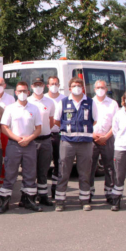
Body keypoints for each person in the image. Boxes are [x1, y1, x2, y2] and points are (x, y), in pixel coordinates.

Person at [0, 81, 43, 213]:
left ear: (28, 92)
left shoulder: (34, 108)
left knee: (30, 174)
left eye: (24, 91)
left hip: (29, 144)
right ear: (16, 93)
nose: (22, 94)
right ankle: (5, 202)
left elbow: (38, 128)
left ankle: (28, 201)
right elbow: (3, 127)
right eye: (20, 91)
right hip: (13, 145)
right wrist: (17, 138)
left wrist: (28, 139)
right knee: (10, 174)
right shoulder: (10, 108)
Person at [54, 77, 98, 212]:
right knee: (63, 172)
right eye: (74, 85)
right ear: (69, 88)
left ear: (83, 88)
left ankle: (85, 200)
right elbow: (57, 121)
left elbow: (94, 121)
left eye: (79, 85)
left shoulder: (90, 102)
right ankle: (60, 201)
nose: (77, 87)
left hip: (85, 143)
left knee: (84, 172)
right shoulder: (63, 102)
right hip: (67, 142)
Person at [27, 77, 55, 206]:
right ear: (31, 87)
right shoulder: (27, 101)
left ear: (44, 86)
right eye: (35, 85)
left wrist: (44, 131)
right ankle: (30, 196)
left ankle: (43, 196)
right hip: (32, 141)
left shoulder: (49, 102)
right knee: (31, 170)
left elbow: (51, 121)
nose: (38, 87)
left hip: (46, 140)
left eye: (40, 84)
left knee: (43, 170)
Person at [91, 80, 118, 204]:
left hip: (108, 139)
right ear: (94, 89)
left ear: (106, 89)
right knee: (90, 167)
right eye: (98, 87)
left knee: (109, 168)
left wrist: (106, 137)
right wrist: (94, 135)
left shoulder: (113, 104)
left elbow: (116, 124)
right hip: (92, 139)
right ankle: (89, 192)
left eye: (102, 87)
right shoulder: (89, 102)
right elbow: (85, 122)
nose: (100, 89)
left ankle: (110, 193)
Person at [45, 75, 66, 199]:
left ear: (59, 85)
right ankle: (41, 191)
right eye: (51, 83)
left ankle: (55, 189)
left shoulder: (64, 99)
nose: (54, 86)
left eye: (56, 83)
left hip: (59, 135)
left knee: (59, 164)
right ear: (47, 85)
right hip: (45, 135)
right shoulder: (44, 99)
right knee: (44, 164)